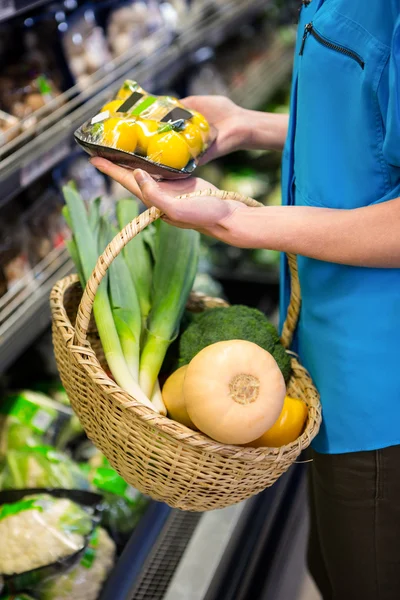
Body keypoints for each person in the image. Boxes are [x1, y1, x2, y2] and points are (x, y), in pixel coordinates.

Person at [91, 2, 400, 598]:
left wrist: (240, 222)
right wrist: (245, 125)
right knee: (331, 568)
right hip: (326, 358)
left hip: (381, 389)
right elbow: (373, 123)